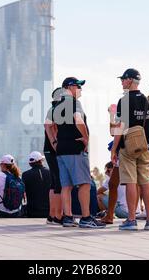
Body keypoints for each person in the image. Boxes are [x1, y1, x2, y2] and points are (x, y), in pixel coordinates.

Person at [53, 77, 105, 228]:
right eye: (78, 86)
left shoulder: (57, 106)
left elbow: (50, 126)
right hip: (75, 148)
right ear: (70, 87)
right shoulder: (75, 103)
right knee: (84, 184)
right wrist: (86, 138)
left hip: (61, 150)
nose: (80, 89)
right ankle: (86, 217)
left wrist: (56, 141)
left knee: (66, 186)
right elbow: (78, 120)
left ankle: (68, 217)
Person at [110, 68, 149, 231]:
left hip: (128, 146)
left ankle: (131, 219)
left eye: (123, 79)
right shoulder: (147, 101)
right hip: (145, 146)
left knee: (130, 181)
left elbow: (120, 127)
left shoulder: (124, 100)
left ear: (130, 80)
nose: (121, 82)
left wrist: (114, 149)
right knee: (145, 181)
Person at [43, 87, 63, 225]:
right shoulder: (57, 109)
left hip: (49, 149)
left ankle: (52, 215)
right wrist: (55, 143)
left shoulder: (52, 108)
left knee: (54, 183)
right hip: (53, 149)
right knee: (59, 183)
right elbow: (50, 126)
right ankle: (58, 216)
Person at [22, 151, 51, 218]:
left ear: (30, 163)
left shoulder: (25, 175)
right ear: (41, 160)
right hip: (48, 212)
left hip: (31, 212)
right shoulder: (50, 172)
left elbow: (23, 193)